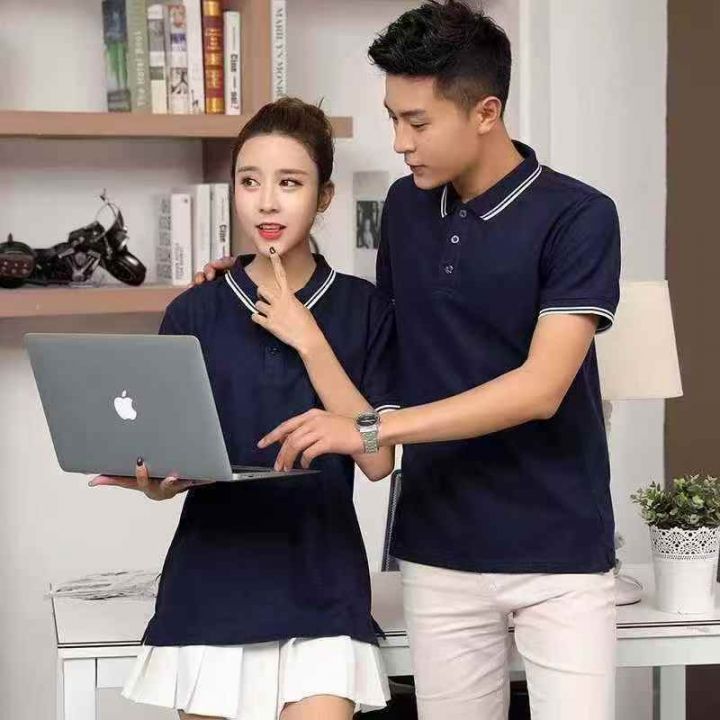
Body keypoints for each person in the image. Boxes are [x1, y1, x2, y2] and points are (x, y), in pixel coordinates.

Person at [198, 3, 622, 719]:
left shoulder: (579, 216)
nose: (400, 142)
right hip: (437, 547)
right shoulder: (405, 207)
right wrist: (245, 274)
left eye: (417, 123)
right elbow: (385, 344)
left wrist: (371, 431)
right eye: (393, 118)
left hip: (559, 552)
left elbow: (541, 388)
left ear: (485, 112)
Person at [91, 97, 398, 720]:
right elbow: (170, 449)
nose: (266, 203)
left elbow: (378, 458)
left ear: (325, 196)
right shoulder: (194, 311)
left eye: (290, 183)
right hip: (211, 580)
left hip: (323, 584)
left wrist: (310, 340)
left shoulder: (364, 308)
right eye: (250, 182)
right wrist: (158, 484)